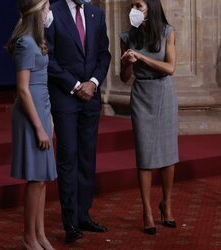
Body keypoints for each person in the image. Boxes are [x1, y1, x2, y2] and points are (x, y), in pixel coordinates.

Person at [45, 0, 111, 243]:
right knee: (68, 157)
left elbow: (104, 54)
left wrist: (93, 82)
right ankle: (70, 221)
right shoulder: (52, 12)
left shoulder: (96, 14)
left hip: (91, 98)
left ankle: (84, 214)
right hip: (65, 98)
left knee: (87, 157)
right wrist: (75, 86)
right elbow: (48, 57)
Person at [120, 0, 178, 235]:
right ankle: (147, 211)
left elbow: (170, 68)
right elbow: (124, 78)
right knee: (144, 155)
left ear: (151, 7)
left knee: (168, 155)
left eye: (139, 5)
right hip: (141, 94)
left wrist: (142, 58)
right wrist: (127, 63)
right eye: (132, 5)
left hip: (164, 93)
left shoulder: (167, 32)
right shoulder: (127, 36)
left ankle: (167, 203)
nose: (134, 9)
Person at [7, 0, 57, 249]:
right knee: (35, 178)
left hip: (42, 111)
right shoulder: (26, 43)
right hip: (30, 115)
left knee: (42, 178)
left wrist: (49, 119)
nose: (50, 12)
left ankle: (40, 234)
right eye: (47, 6)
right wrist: (39, 126)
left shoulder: (38, 41)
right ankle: (29, 237)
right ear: (38, 11)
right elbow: (23, 90)